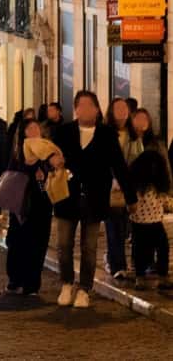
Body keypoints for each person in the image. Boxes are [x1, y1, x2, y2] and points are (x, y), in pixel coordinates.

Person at [53, 90, 137, 308]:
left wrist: (131, 197)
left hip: (95, 198)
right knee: (63, 244)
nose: (86, 110)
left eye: (90, 105)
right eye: (81, 105)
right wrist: (51, 166)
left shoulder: (107, 134)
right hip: (66, 198)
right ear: (76, 109)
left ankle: (84, 288)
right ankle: (66, 282)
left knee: (89, 247)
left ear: (98, 109)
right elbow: (47, 161)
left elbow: (119, 166)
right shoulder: (63, 132)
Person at [5, 119, 62, 296]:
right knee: (17, 243)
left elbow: (46, 183)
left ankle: (32, 283)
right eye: (30, 128)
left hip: (41, 205)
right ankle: (15, 279)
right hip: (21, 204)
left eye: (36, 127)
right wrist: (30, 171)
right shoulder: (18, 152)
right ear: (23, 133)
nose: (34, 130)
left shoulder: (47, 151)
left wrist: (43, 178)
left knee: (38, 244)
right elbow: (12, 176)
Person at [104, 97, 143, 280]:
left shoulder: (133, 135)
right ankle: (118, 265)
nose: (122, 112)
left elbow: (139, 159)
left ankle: (114, 259)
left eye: (124, 108)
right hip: (110, 187)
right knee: (114, 226)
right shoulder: (105, 133)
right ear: (111, 112)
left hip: (130, 186)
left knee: (127, 227)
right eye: (118, 108)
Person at [128, 150, 173, 291]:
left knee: (161, 248)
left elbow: (166, 201)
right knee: (143, 250)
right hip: (140, 224)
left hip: (152, 223)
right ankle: (142, 277)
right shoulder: (140, 187)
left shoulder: (148, 186)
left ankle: (159, 276)